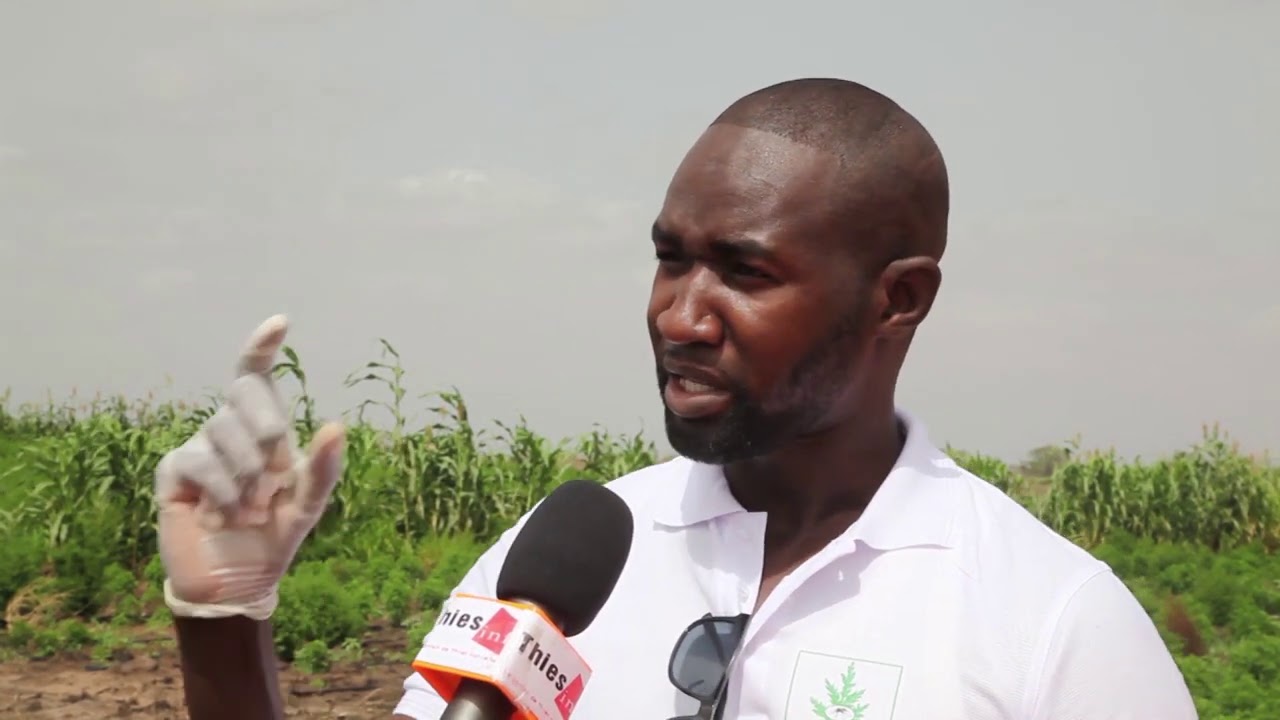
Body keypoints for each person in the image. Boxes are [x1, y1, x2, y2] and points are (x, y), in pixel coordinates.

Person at [155, 78, 1199, 720]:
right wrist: (221, 623)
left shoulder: (1047, 624)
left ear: (899, 300)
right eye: (668, 260)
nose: (678, 316)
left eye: (742, 273)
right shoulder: (563, 558)